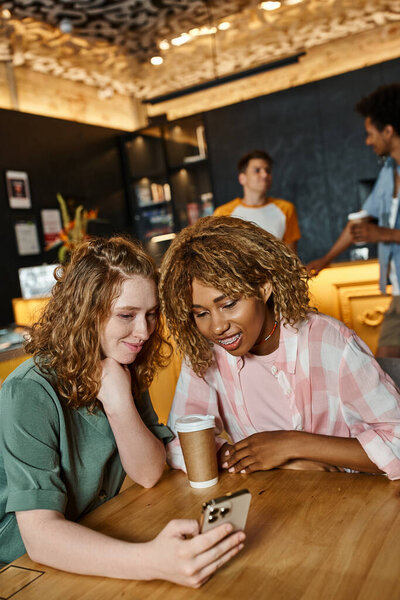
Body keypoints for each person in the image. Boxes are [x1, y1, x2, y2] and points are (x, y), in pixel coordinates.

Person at [0, 236, 245, 586]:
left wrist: (118, 403)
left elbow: (148, 472)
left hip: (87, 540)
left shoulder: (122, 363)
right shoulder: (28, 391)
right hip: (20, 568)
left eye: (150, 315)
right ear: (85, 313)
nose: (144, 331)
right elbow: (39, 537)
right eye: (127, 315)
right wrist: (152, 562)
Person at [159, 216, 400, 480]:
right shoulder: (204, 354)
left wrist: (291, 445)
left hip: (348, 505)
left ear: (264, 287)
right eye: (201, 313)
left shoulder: (329, 342)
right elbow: (179, 444)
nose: (216, 327)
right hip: (268, 506)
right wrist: (266, 461)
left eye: (228, 304)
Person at [307, 83, 400, 358]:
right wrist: (326, 259)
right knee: (388, 368)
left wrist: (384, 234)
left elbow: (376, 232)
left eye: (370, 134)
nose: (368, 141)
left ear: (388, 130)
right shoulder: (388, 172)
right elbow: (359, 224)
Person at [213, 150, 301, 252]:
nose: (264, 175)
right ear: (242, 178)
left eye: (267, 170)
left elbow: (291, 258)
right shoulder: (223, 214)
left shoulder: (286, 209)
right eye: (257, 170)